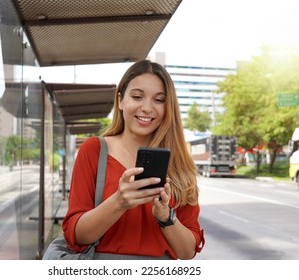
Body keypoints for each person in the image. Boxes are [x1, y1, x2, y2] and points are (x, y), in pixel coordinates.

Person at [62, 59, 204, 260]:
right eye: (137, 97)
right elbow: (76, 235)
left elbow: (187, 251)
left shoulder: (179, 163)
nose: (147, 108)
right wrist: (119, 202)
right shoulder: (94, 150)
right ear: (120, 100)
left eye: (159, 100)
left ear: (168, 106)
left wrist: (166, 217)